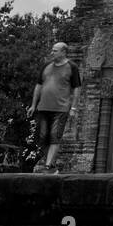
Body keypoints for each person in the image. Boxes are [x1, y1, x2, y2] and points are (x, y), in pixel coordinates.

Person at [26, 41, 81, 173]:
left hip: (60, 108)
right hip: (43, 107)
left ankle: (48, 166)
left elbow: (77, 88)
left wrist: (73, 108)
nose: (52, 52)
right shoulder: (46, 66)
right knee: (43, 137)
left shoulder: (71, 67)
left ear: (63, 52)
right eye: (52, 50)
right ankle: (51, 165)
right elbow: (39, 85)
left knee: (54, 136)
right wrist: (33, 105)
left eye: (55, 50)